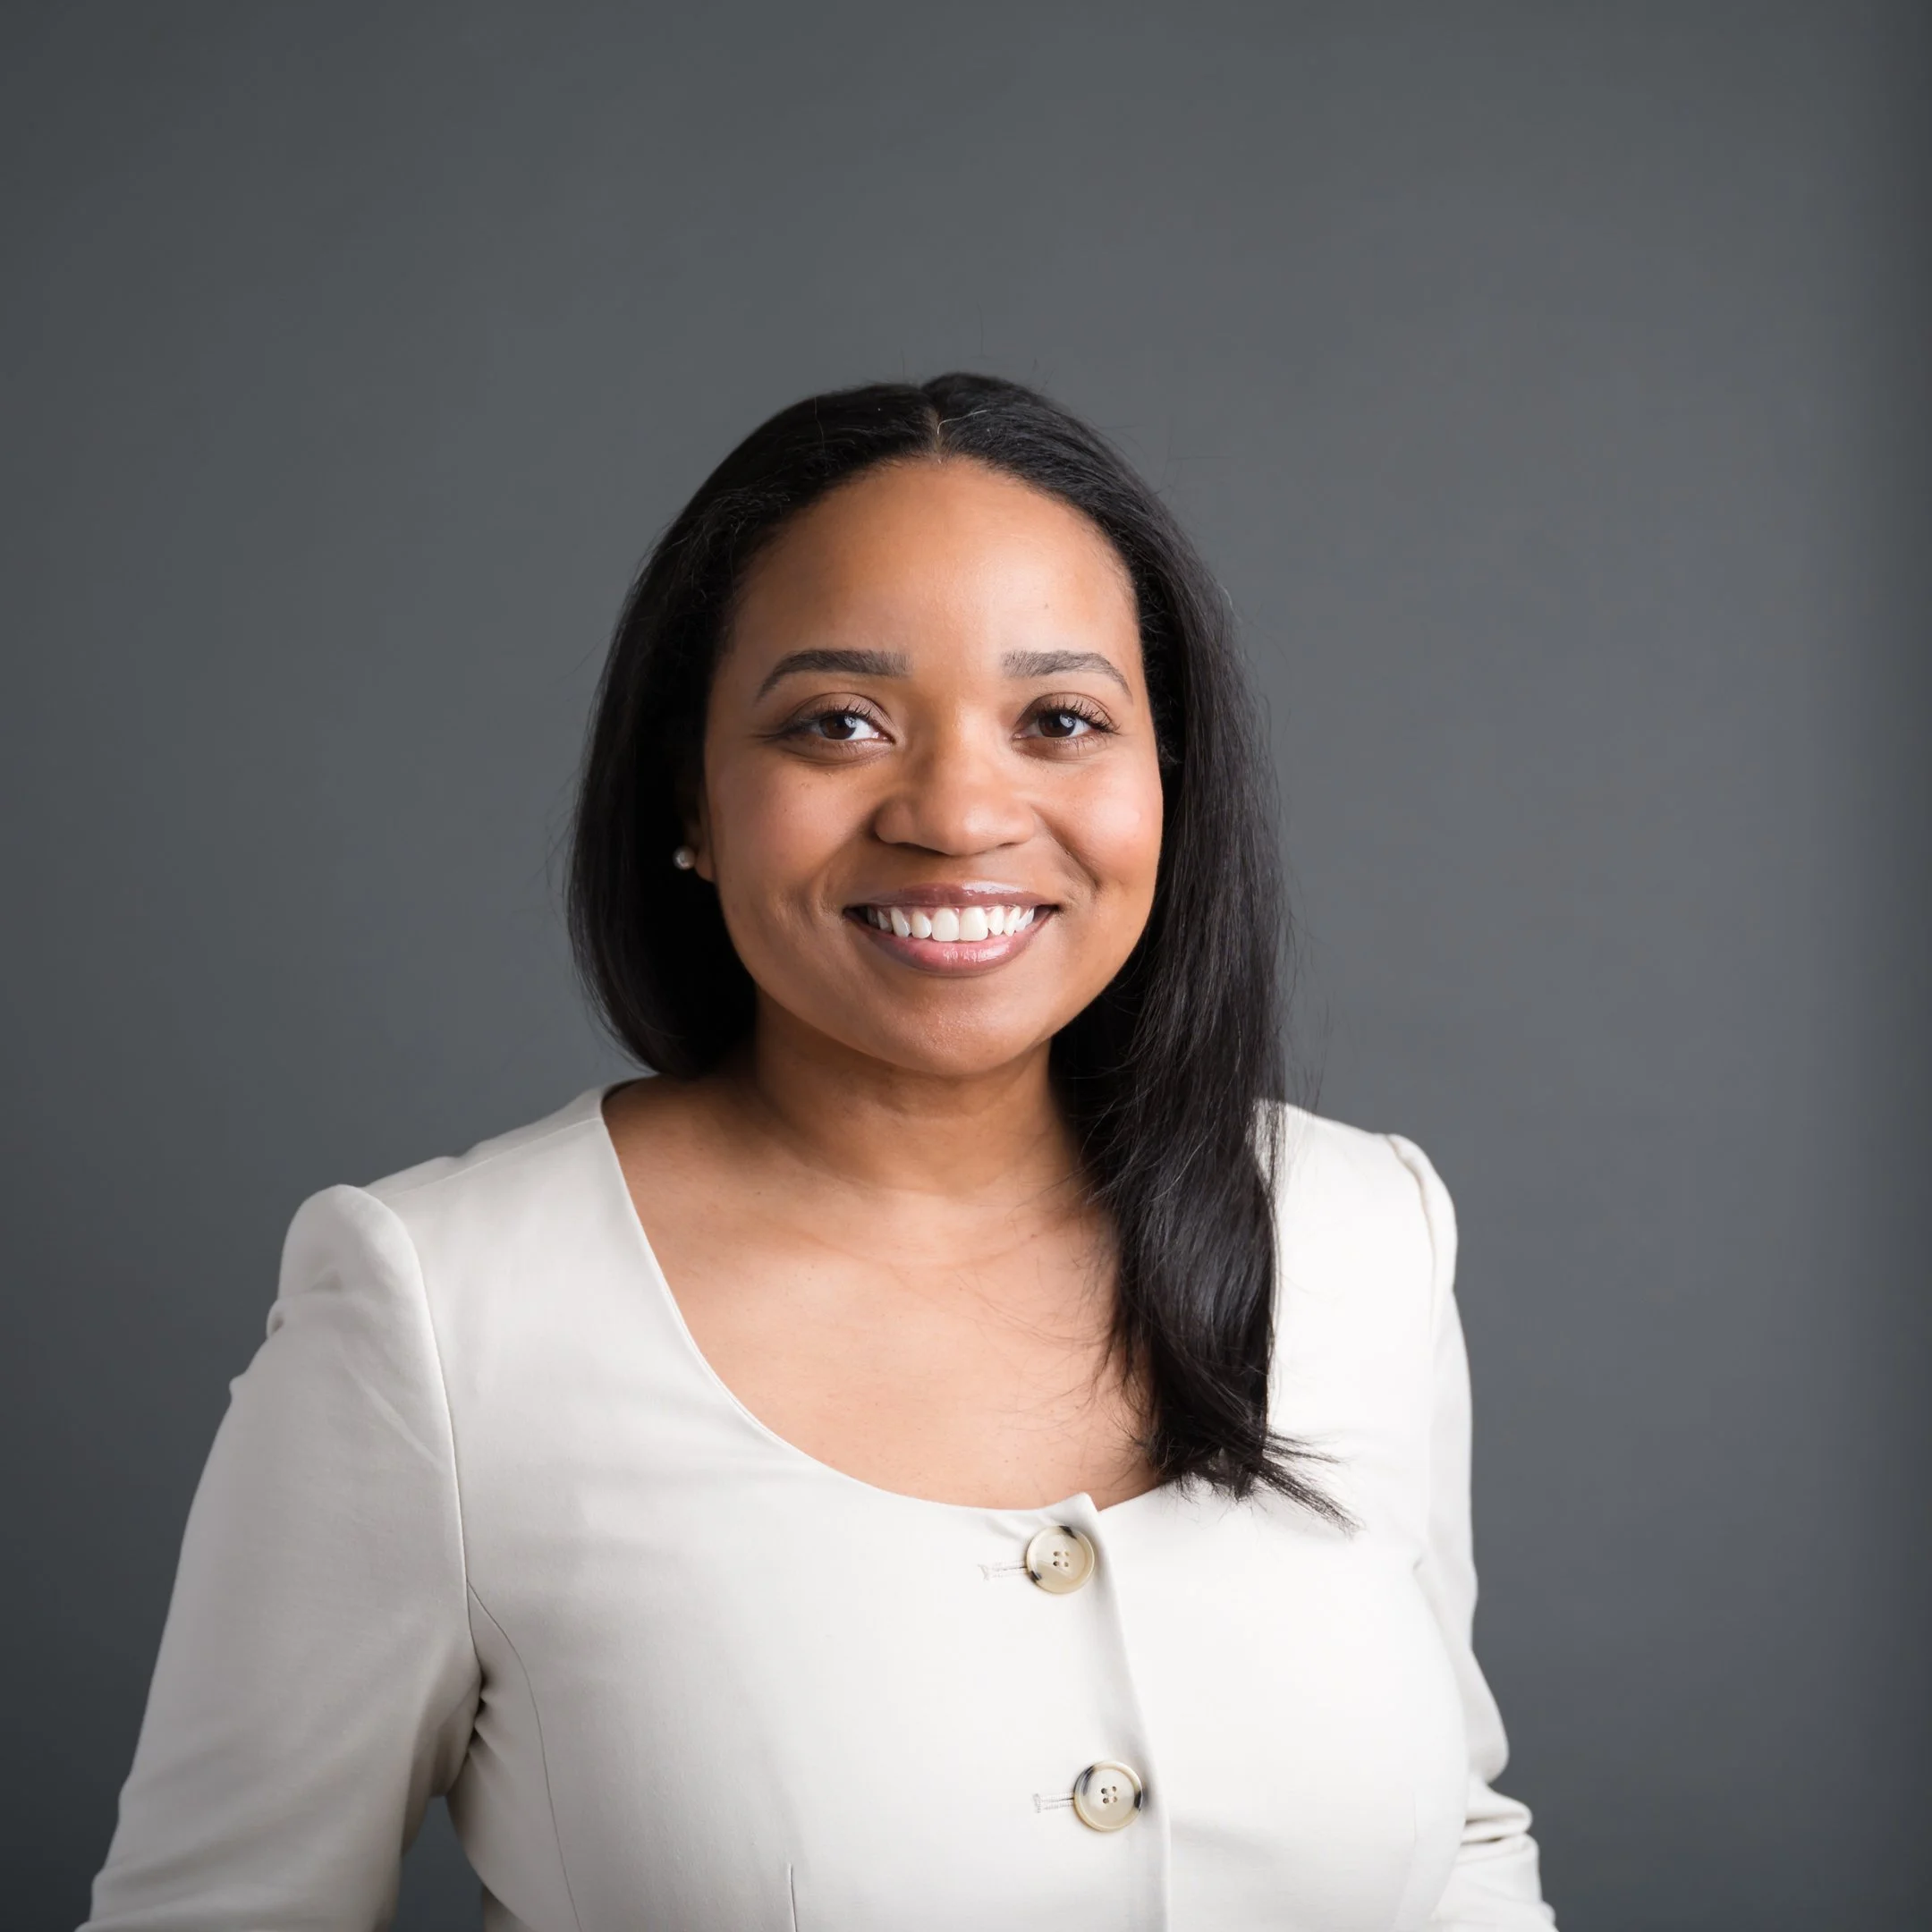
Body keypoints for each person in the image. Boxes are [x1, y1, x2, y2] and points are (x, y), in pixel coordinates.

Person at [84, 374, 1556, 1930]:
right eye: (837, 721)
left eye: (1061, 721)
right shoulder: (440, 1314)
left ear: (1166, 786)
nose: (959, 813)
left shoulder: (1358, 1232)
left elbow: (1459, 1852)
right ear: (692, 800)